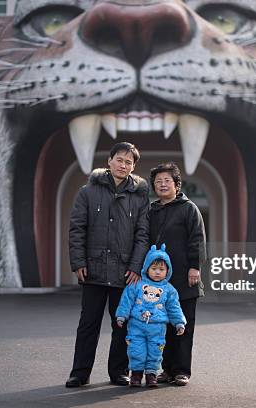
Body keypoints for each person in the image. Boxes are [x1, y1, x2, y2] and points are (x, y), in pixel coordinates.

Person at [66, 142, 150, 388]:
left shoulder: (139, 196)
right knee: (88, 324)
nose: (123, 165)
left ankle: (118, 372)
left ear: (133, 167)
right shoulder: (87, 192)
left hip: (125, 273)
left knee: (122, 325)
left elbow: (143, 234)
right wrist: (78, 261)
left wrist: (136, 266)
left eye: (129, 162)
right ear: (109, 161)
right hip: (93, 270)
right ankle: (79, 373)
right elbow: (77, 229)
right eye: (120, 160)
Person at [148, 162, 206, 386]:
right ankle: (167, 369)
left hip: (184, 277)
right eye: (158, 181)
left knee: (183, 325)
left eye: (166, 181)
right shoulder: (152, 211)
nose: (162, 184)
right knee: (164, 327)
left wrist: (195, 267)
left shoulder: (189, 208)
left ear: (176, 184)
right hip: (159, 281)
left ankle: (182, 371)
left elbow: (198, 239)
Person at [115, 244, 186, 387]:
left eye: (161, 269)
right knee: (136, 349)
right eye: (154, 269)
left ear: (168, 271)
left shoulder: (169, 290)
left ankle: (151, 374)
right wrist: (121, 316)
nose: (157, 272)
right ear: (146, 268)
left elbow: (174, 307)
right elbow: (126, 301)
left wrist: (179, 322)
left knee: (155, 351)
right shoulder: (137, 284)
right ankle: (136, 374)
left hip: (157, 328)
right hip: (136, 326)